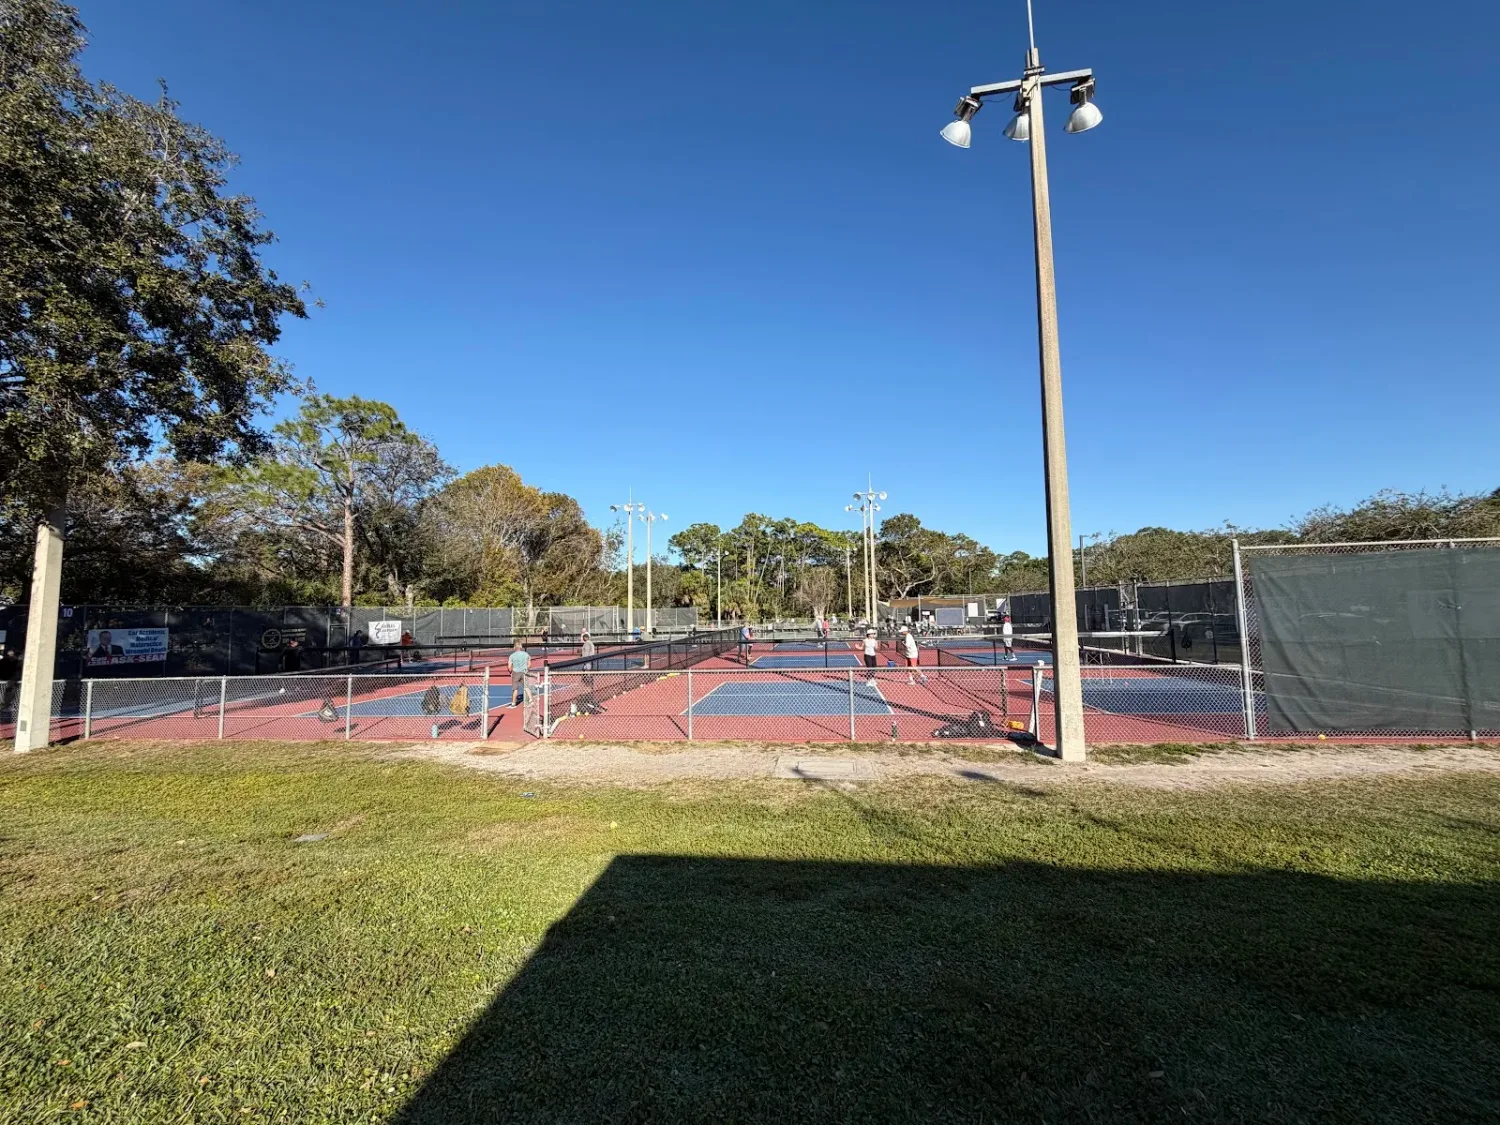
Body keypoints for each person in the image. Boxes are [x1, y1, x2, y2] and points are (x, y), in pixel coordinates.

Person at [507, 640, 531, 707]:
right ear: (521, 646)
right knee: (526, 687)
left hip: (516, 673)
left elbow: (509, 667)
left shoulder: (512, 656)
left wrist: (510, 672)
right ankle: (531, 700)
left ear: (514, 647)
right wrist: (526, 669)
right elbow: (529, 664)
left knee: (515, 689)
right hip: (524, 672)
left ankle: (513, 704)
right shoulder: (526, 654)